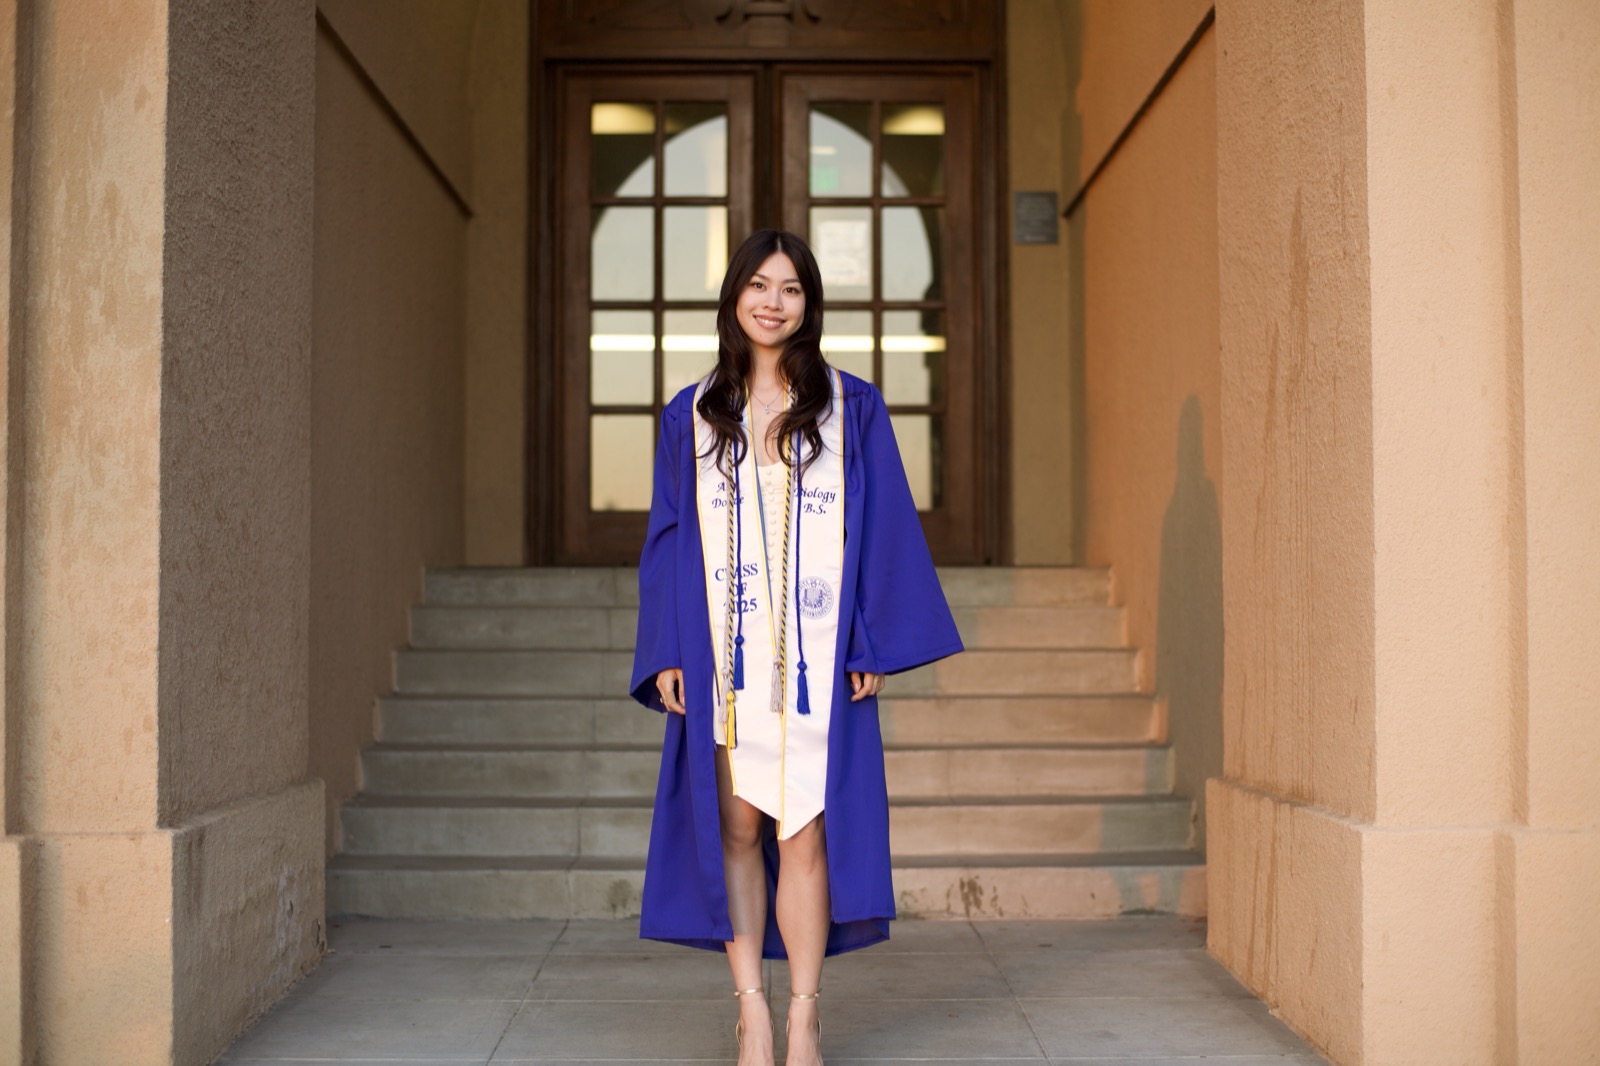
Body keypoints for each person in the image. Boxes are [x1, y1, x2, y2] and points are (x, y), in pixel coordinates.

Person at [629, 229, 962, 1066]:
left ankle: (806, 1016)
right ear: (734, 296)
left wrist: (870, 639)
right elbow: (670, 537)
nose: (772, 302)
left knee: (803, 834)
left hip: (812, 659)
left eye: (791, 289)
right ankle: (754, 1015)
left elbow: (883, 528)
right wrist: (668, 647)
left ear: (810, 306)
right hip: (724, 659)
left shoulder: (852, 406)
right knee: (735, 828)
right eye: (758, 285)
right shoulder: (694, 413)